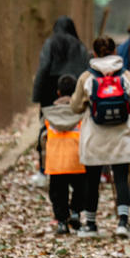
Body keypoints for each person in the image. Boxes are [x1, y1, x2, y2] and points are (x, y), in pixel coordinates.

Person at [71, 36, 130, 237]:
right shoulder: (126, 76)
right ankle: (122, 222)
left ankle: (91, 225)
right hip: (121, 136)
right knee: (121, 179)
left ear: (94, 53)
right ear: (115, 52)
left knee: (92, 180)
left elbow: (75, 106)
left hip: (94, 137)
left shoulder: (87, 77)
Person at [31, 16, 89, 186]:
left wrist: (38, 94)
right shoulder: (80, 46)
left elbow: (43, 68)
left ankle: (44, 171)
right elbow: (86, 69)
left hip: (51, 90)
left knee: (46, 130)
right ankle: (76, 168)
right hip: (75, 90)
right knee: (76, 128)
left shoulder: (50, 43)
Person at [42, 74, 86, 235]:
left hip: (55, 161)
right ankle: (75, 212)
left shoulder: (49, 115)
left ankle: (61, 221)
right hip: (77, 159)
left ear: (58, 93)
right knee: (80, 189)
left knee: (58, 193)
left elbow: (42, 137)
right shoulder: (81, 114)